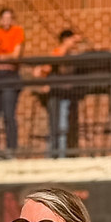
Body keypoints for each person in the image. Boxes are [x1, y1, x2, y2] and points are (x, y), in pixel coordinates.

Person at [33, 29, 82, 157]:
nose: (74, 43)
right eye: (71, 40)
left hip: (66, 94)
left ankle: (60, 153)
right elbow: (43, 69)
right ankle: (54, 154)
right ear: (65, 40)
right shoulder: (58, 52)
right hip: (55, 93)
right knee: (55, 125)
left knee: (62, 125)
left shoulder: (73, 55)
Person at [0, 8, 25, 155]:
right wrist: (4, 57)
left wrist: (1, 57)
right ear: (0, 20)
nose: (7, 21)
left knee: (9, 114)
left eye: (10, 18)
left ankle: (11, 149)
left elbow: (15, 55)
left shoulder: (17, 31)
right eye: (4, 18)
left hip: (11, 76)